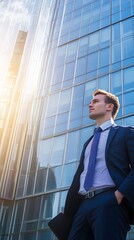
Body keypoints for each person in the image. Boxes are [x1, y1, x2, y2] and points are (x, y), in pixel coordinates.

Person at [48, 89, 134, 240]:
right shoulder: (89, 142)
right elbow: (80, 175)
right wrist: (70, 210)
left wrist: (120, 194)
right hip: (82, 206)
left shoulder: (125, 133)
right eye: (90, 102)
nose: (90, 105)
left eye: (95, 101)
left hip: (109, 201)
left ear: (109, 107)